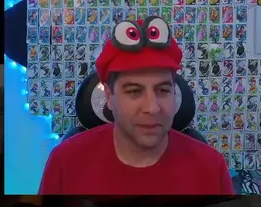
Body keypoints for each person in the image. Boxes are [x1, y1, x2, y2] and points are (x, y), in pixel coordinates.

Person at [38, 16, 234, 196]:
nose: (152, 108)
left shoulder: (211, 167)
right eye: (134, 91)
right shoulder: (65, 163)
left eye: (163, 90)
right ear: (109, 96)